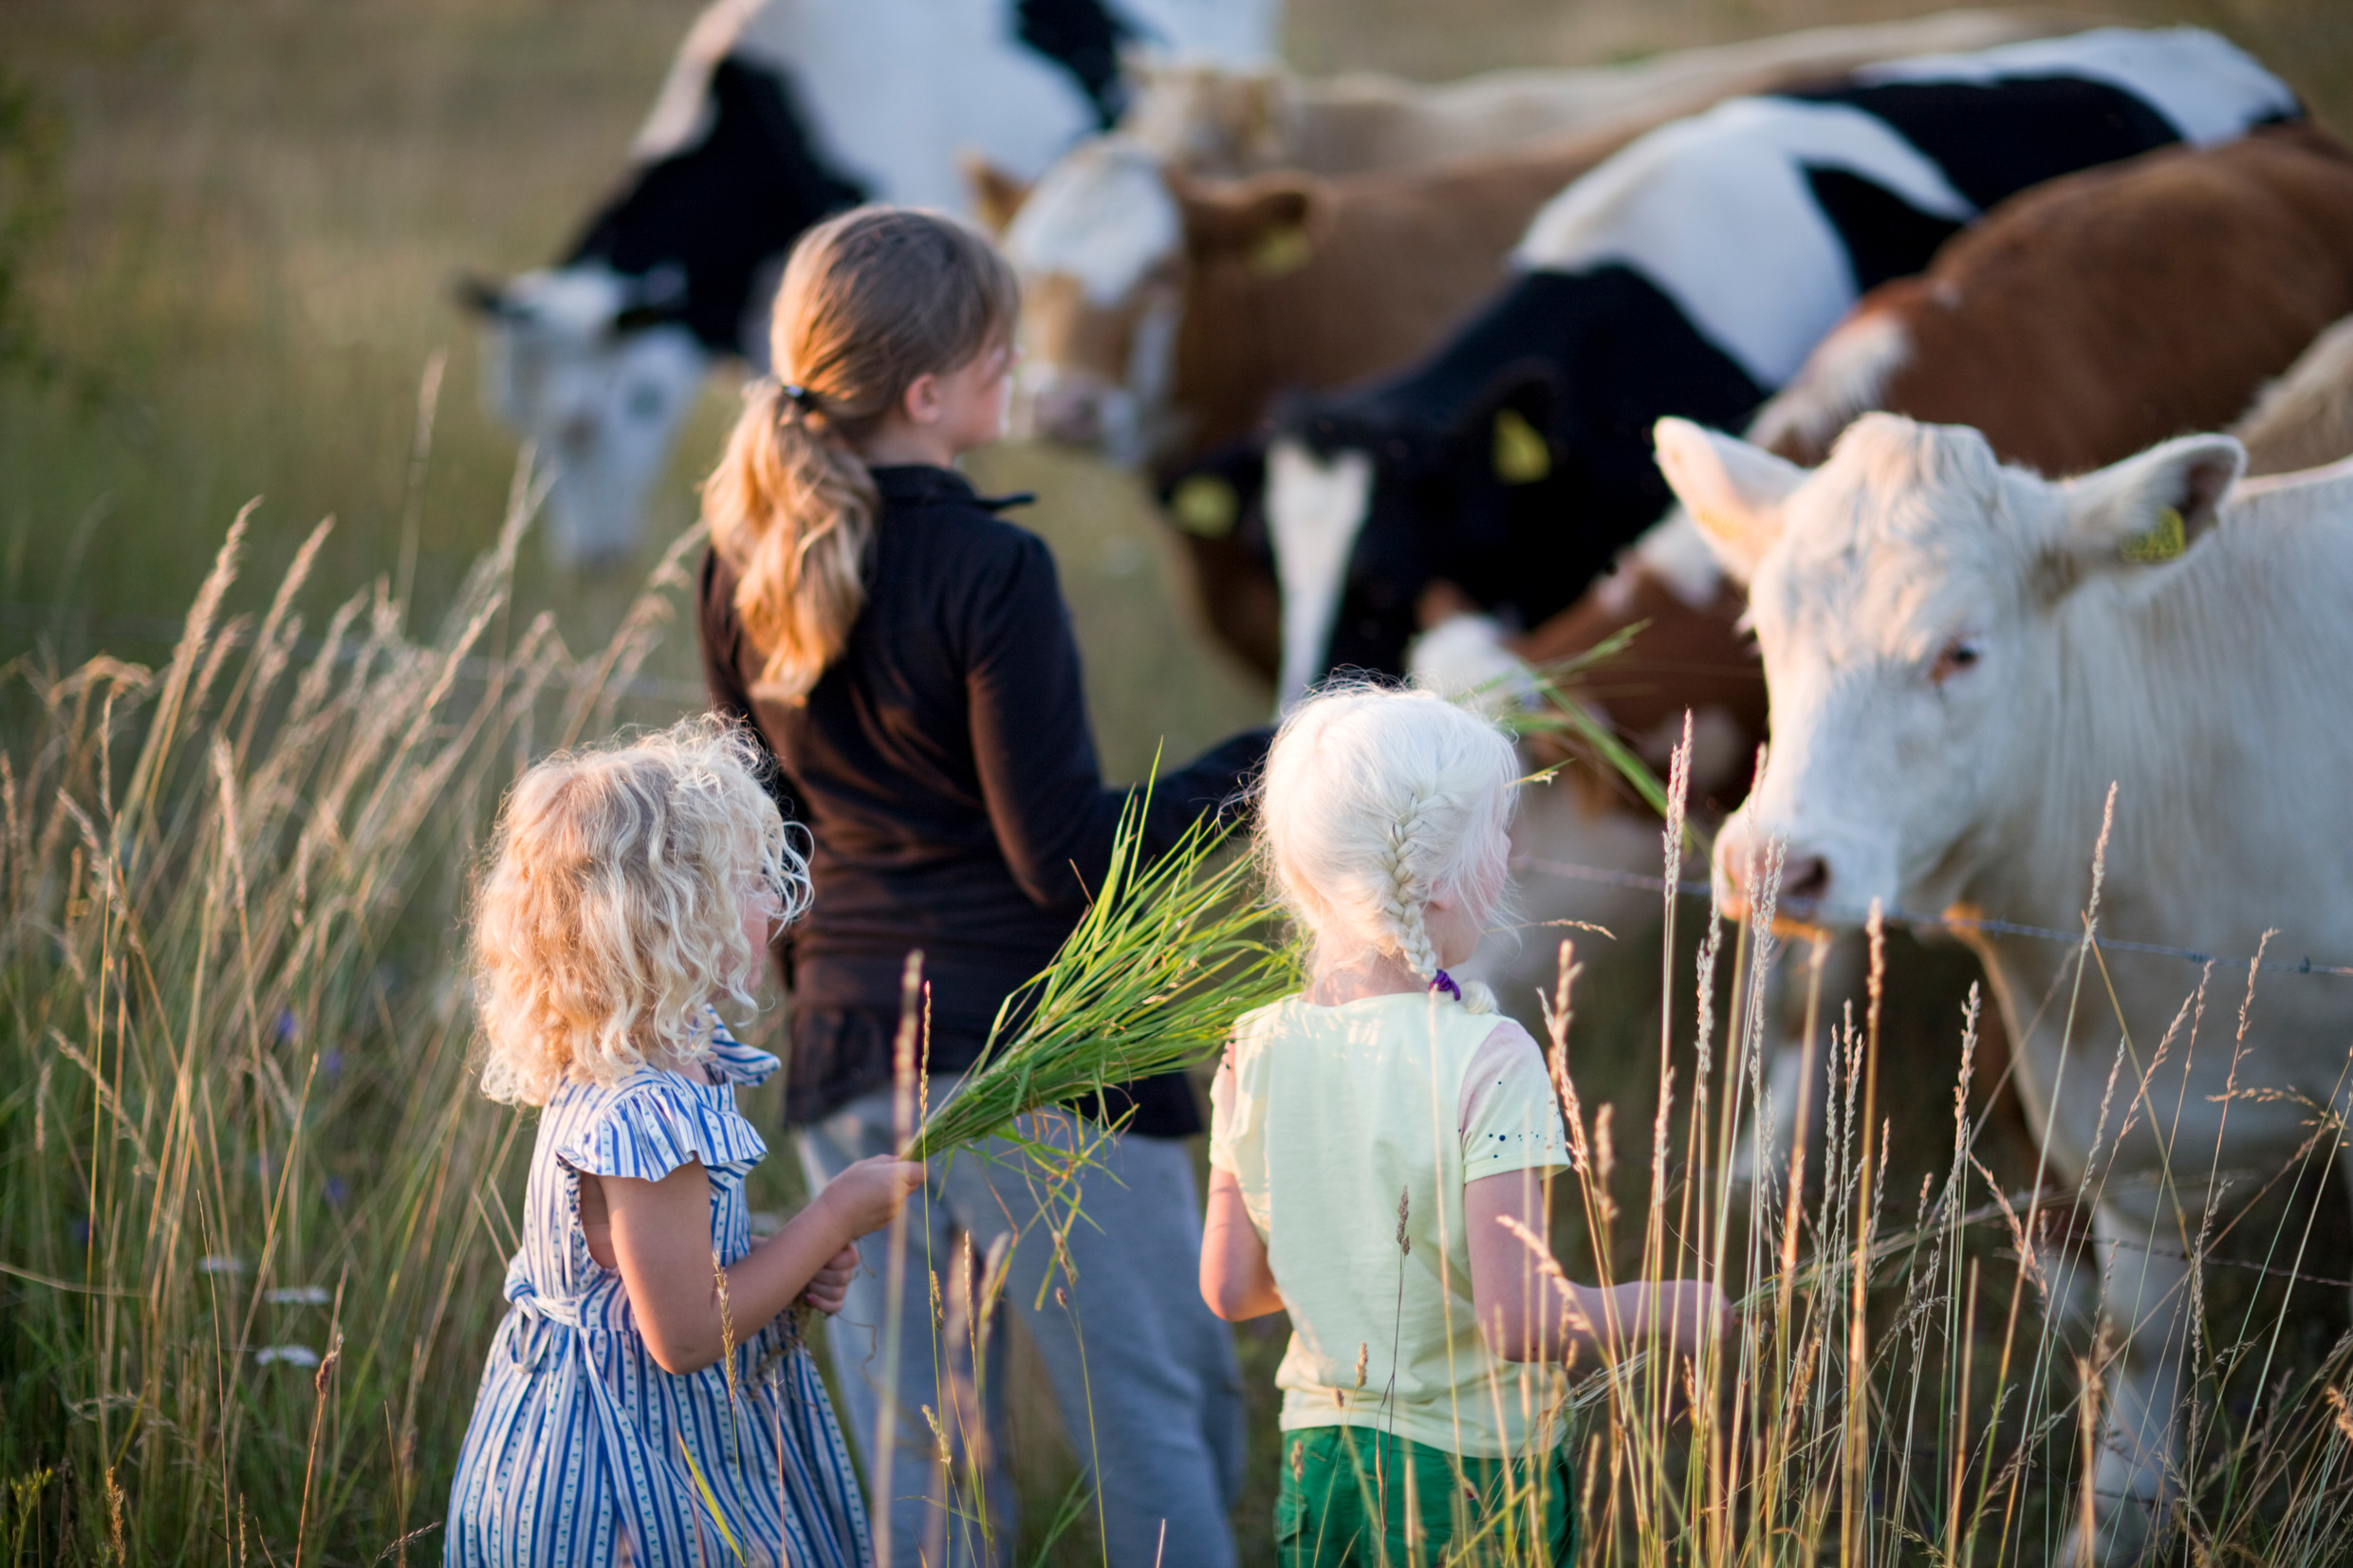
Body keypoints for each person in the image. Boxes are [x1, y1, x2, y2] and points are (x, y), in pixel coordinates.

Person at [695, 205, 1267, 1567]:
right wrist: (1267, 765)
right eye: (996, 341)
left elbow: (776, 852)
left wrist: (844, 1007)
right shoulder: (994, 569)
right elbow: (1064, 859)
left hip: (845, 1059)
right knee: (1155, 1418)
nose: (1019, 359)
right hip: (1037, 1055)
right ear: (930, 390)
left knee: (921, 1454)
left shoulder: (740, 572)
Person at [1202, 687, 1729, 1565]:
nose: (1514, 849)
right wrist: (1667, 1308)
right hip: (1469, 1474)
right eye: (1496, 829)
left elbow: (1230, 1288)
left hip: (1320, 1460)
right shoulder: (1490, 1058)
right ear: (1436, 880)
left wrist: (1356, 1266)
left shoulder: (1251, 1046)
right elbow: (1517, 1318)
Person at [443, 718, 923, 1568]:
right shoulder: (645, 1110)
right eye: (746, 882)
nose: (774, 901)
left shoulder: (660, 1054)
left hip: (609, 1425)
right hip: (618, 1477)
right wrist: (833, 1218)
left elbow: (662, 1267)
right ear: (665, 914)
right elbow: (687, 1333)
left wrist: (782, 1254)